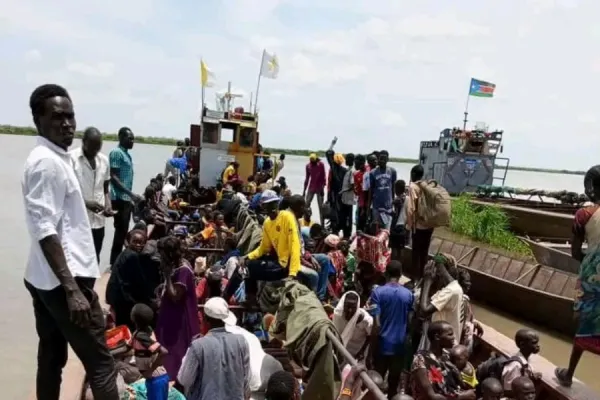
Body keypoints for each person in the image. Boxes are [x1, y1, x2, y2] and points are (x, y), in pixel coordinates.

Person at [22, 84, 119, 399]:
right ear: (38, 120)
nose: (67, 124)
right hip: (65, 282)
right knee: (102, 365)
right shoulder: (46, 163)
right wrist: (73, 290)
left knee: (51, 356)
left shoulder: (54, 157)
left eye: (70, 116)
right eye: (57, 117)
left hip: (43, 278)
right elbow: (44, 228)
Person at [555, 166, 600, 387]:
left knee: (586, 321)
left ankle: (568, 374)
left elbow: (575, 252)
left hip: (593, 277)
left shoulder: (584, 214)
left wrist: (590, 262)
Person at [224, 190, 303, 303]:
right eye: (268, 205)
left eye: (274, 203)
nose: (272, 207)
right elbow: (263, 248)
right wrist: (247, 257)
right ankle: (250, 297)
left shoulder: (287, 217)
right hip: (275, 262)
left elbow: (295, 245)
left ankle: (226, 297)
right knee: (246, 264)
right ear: (264, 207)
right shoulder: (267, 223)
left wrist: (293, 273)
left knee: (246, 268)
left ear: (277, 204)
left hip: (285, 265)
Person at [176, 297, 250, 400]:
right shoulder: (241, 341)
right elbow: (246, 378)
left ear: (205, 318)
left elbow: (184, 379)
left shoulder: (197, 345)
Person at [155, 236, 200, 379]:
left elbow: (175, 296)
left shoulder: (183, 271)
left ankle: (174, 379)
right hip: (169, 316)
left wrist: (167, 275)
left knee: (175, 352)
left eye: (162, 253)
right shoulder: (177, 267)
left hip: (178, 320)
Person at [367, 260, 413, 399]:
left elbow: (377, 325)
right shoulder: (408, 294)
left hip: (382, 345)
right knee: (393, 384)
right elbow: (410, 323)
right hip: (399, 346)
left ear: (385, 273)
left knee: (376, 383)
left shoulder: (377, 293)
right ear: (400, 275)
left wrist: (370, 352)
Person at [70, 127, 114, 262]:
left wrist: (108, 203)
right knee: (78, 259)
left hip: (98, 221)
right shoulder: (71, 159)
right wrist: (85, 203)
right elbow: (65, 192)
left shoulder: (104, 160)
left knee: (95, 258)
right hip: (78, 222)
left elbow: (105, 186)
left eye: (98, 148)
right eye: (92, 147)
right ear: (83, 142)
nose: (95, 151)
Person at [105, 230, 156, 331]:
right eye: (135, 242)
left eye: (141, 242)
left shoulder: (125, 253)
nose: (138, 245)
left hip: (116, 296)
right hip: (122, 298)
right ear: (129, 241)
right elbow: (139, 281)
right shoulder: (132, 256)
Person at [410, 321, 474, 400]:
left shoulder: (446, 355)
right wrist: (460, 397)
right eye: (450, 334)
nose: (453, 337)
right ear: (437, 337)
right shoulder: (420, 359)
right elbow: (431, 396)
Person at [109, 126, 142, 266]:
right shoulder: (117, 153)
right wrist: (130, 194)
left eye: (133, 138)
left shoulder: (126, 154)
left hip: (126, 198)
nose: (132, 141)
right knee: (120, 231)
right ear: (121, 138)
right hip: (119, 198)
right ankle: (114, 262)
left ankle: (117, 260)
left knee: (123, 231)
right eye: (130, 138)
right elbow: (113, 177)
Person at [419, 255, 464, 348]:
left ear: (439, 270)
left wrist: (427, 281)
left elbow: (424, 311)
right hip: (443, 343)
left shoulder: (450, 291)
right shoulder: (453, 288)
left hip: (445, 346)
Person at [130, 303, 170, 399]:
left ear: (133, 318)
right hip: (160, 377)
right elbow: (127, 346)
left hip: (156, 380)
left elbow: (164, 351)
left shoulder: (141, 337)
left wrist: (150, 370)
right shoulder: (145, 330)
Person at [406, 164, 433, 278]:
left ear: (413, 174)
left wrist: (409, 226)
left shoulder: (413, 187)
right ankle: (423, 278)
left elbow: (410, 209)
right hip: (429, 225)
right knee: (424, 253)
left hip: (418, 227)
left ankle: (414, 279)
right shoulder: (427, 186)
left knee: (415, 253)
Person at [333, 291, 373, 361]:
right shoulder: (338, 315)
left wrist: (362, 351)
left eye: (353, 307)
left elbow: (371, 336)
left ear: (357, 306)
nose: (350, 310)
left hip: (356, 353)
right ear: (343, 305)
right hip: (339, 350)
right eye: (347, 306)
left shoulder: (366, 320)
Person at [501, 329, 541, 396]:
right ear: (522, 344)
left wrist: (531, 378)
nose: (538, 345)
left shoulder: (526, 359)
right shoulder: (516, 365)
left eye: (537, 342)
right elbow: (507, 390)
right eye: (534, 343)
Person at [368, 150, 396, 230]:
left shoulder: (392, 171)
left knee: (386, 230)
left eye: (384, 159)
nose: (382, 161)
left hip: (388, 207)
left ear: (387, 160)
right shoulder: (372, 173)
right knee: (376, 230)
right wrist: (368, 208)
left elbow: (393, 188)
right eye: (380, 159)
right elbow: (371, 190)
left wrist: (393, 204)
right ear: (378, 159)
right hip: (376, 207)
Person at [325, 151, 348, 235]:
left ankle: (335, 230)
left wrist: (328, 197)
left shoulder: (332, 170)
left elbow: (330, 184)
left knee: (334, 214)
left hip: (334, 195)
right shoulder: (345, 170)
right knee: (341, 214)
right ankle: (338, 229)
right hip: (341, 195)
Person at [303, 153, 327, 225]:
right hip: (311, 187)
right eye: (311, 160)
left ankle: (322, 225)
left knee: (321, 207)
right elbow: (307, 178)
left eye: (313, 160)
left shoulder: (321, 165)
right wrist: (304, 190)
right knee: (306, 205)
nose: (312, 162)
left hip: (319, 188)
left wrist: (323, 188)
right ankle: (305, 221)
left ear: (316, 159)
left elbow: (323, 176)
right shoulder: (308, 166)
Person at [339, 153, 356, 239]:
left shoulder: (352, 171)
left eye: (347, 159)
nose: (345, 161)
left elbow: (353, 186)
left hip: (349, 199)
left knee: (348, 218)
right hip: (345, 198)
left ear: (351, 160)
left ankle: (347, 235)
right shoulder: (348, 170)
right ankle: (346, 234)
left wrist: (342, 191)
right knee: (345, 216)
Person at [390, 179, 407, 261]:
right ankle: (400, 264)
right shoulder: (407, 198)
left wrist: (387, 211)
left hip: (396, 227)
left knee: (394, 247)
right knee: (401, 248)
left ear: (397, 189)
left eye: (395, 188)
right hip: (404, 227)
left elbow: (395, 214)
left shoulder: (397, 200)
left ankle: (393, 264)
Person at [353, 154, 371, 232]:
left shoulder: (369, 171)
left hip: (368, 204)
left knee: (368, 225)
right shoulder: (356, 174)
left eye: (356, 163)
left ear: (362, 163)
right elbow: (357, 192)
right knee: (359, 225)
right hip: (360, 203)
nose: (354, 165)